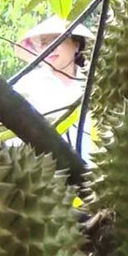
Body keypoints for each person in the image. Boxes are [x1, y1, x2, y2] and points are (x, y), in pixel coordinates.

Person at [13, 16, 95, 156]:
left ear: (76, 44)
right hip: (47, 170)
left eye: (57, 40)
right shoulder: (26, 86)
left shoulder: (94, 81)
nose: (50, 48)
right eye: (44, 43)